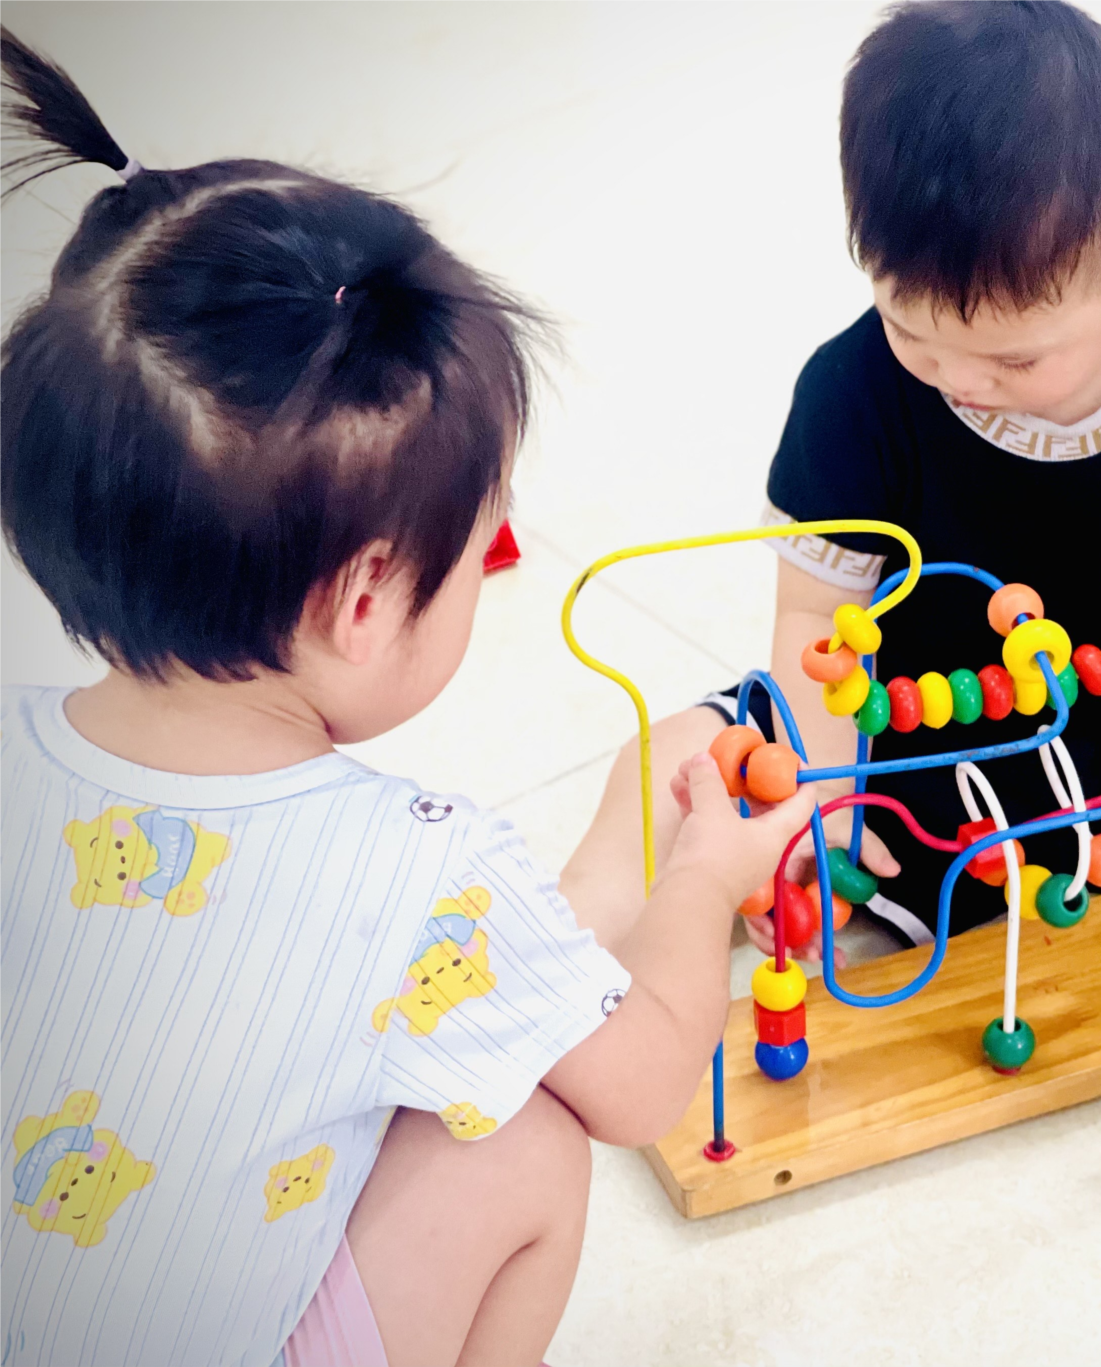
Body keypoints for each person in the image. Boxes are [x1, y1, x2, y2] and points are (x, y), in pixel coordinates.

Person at [0, 30, 811, 1367]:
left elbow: (424, 977)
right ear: (366, 600)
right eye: (481, 549)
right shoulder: (420, 865)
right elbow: (642, 1082)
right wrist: (703, 880)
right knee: (523, 1138)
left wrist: (614, 852)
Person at [619, 0, 1101, 955]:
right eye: (910, 328)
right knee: (661, 775)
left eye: (1015, 359)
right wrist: (821, 798)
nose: (959, 380)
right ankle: (574, 966)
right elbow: (816, 617)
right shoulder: (852, 392)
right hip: (924, 745)